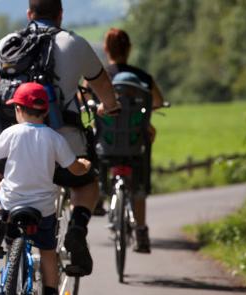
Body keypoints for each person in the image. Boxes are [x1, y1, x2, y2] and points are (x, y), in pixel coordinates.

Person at [0, 0, 120, 277]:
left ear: (29, 14)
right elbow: (102, 85)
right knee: (86, 180)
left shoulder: (6, 43)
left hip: (12, 150)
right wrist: (111, 107)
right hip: (62, 142)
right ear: (60, 15)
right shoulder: (74, 43)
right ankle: (77, 230)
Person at [0, 82, 92, 295]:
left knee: (4, 198)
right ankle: (50, 289)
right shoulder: (55, 138)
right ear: (46, 110)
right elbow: (74, 169)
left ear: (17, 109)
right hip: (43, 208)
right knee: (47, 251)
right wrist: (84, 165)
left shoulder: (10, 133)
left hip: (12, 202)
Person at [100, 27, 166, 254]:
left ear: (105, 48)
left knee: (92, 137)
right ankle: (141, 231)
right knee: (138, 175)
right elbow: (158, 101)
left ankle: (98, 194)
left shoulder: (100, 76)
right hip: (135, 144)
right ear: (129, 49)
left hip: (106, 145)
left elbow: (84, 101)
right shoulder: (143, 77)